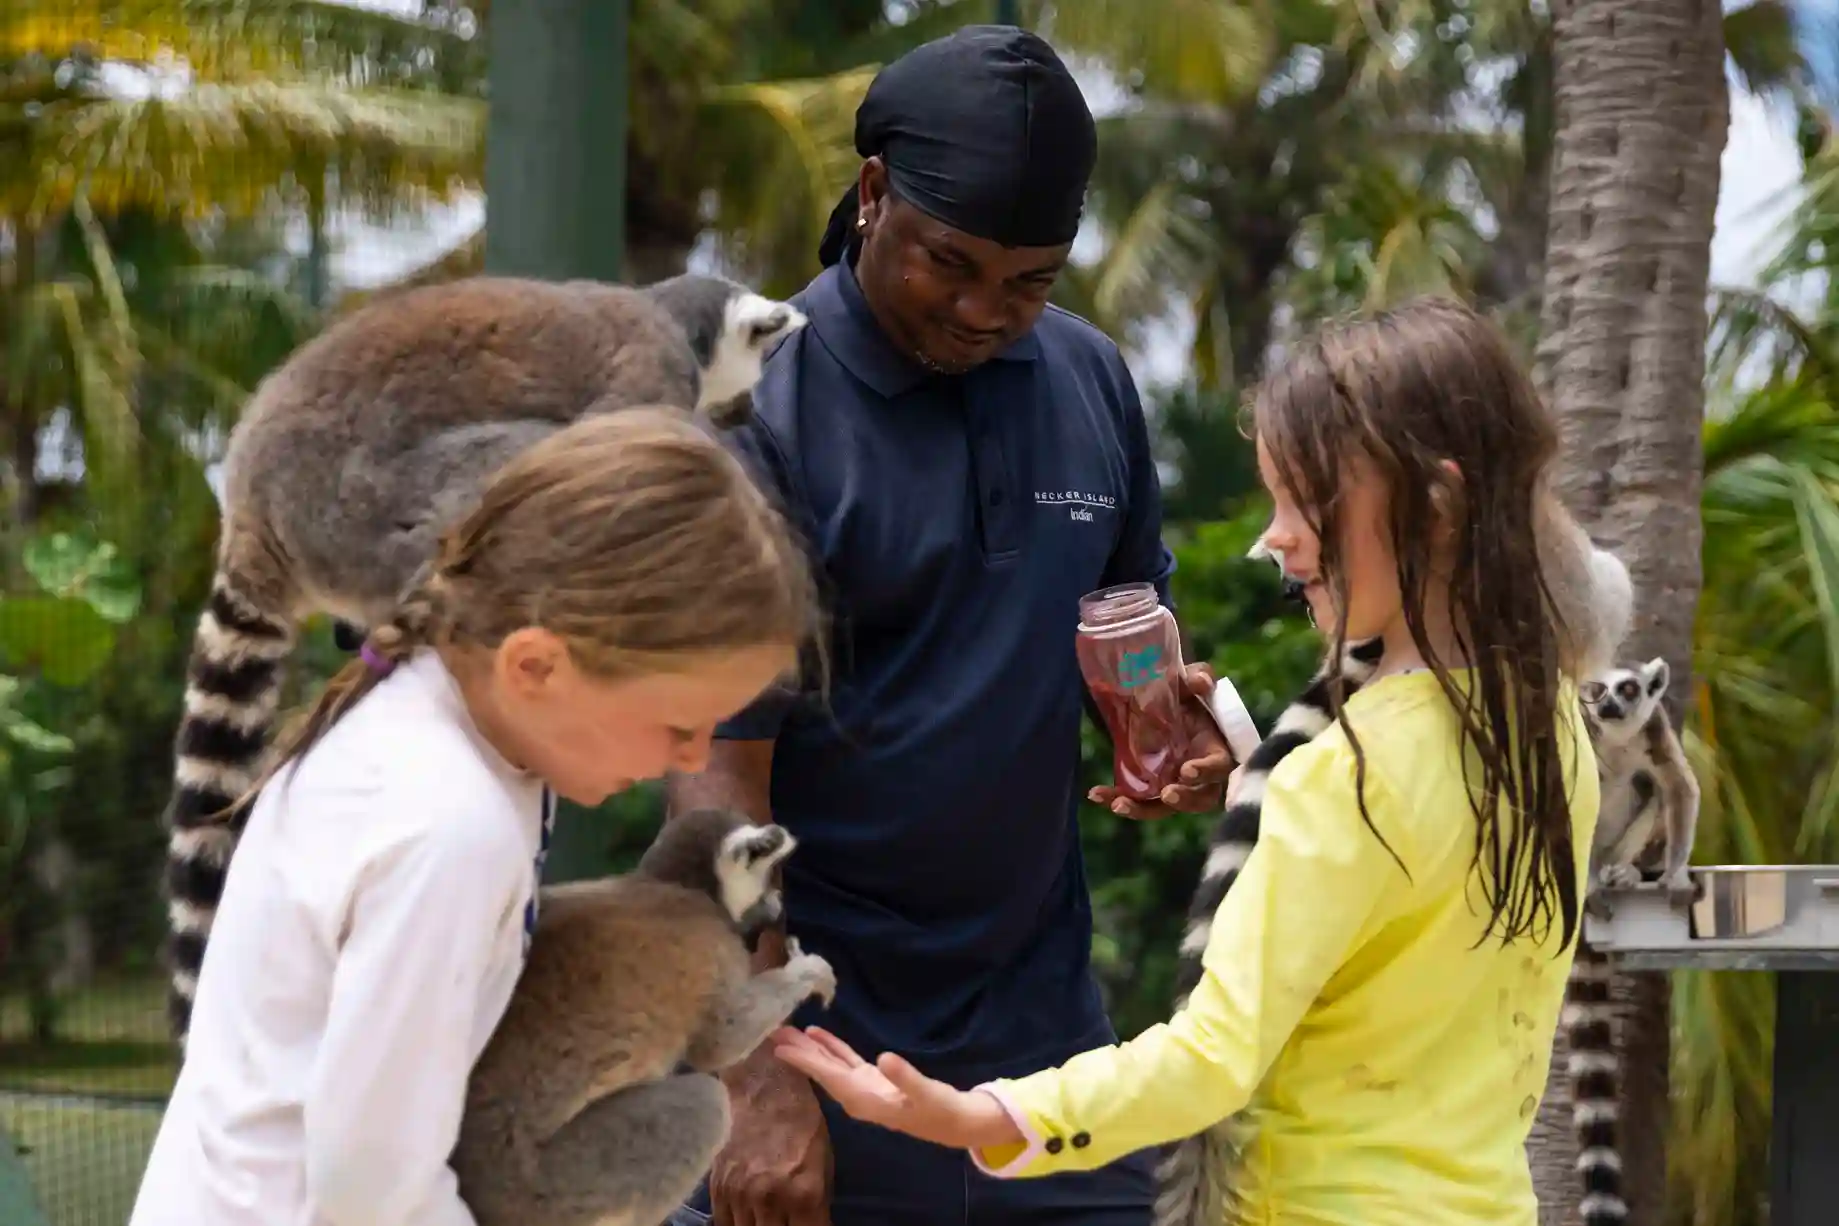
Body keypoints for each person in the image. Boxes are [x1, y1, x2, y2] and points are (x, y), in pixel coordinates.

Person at [769, 298, 1607, 1226]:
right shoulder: (1549, 727)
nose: (1274, 537)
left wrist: (979, 1116)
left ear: (1437, 504)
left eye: (1307, 502)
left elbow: (1211, 1057)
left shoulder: (1345, 776)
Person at [662, 24, 1239, 1226]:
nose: (987, 311)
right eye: (951, 263)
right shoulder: (759, 409)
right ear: (874, 193)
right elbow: (717, 772)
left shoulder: (1091, 381)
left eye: (1031, 280)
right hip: (818, 1057)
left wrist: (1172, 727)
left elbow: (1130, 621)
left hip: (1043, 1065)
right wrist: (757, 1073)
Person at [127, 409, 821, 1226]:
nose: (693, 757)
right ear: (536, 666)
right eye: (677, 723)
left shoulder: (460, 737)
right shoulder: (447, 822)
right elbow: (367, 1188)